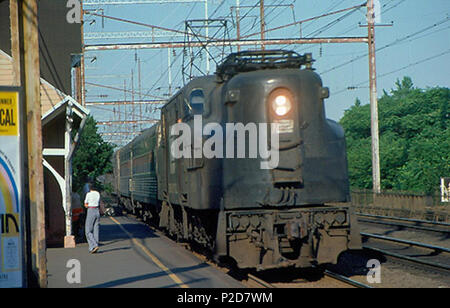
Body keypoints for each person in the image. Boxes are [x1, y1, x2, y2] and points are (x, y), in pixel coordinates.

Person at [84, 183, 101, 253]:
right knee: (96, 230)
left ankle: (94, 245)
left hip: (91, 210)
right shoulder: (98, 194)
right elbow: (98, 202)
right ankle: (92, 248)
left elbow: (86, 204)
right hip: (97, 211)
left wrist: (86, 205)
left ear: (89, 188)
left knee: (88, 231)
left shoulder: (88, 194)